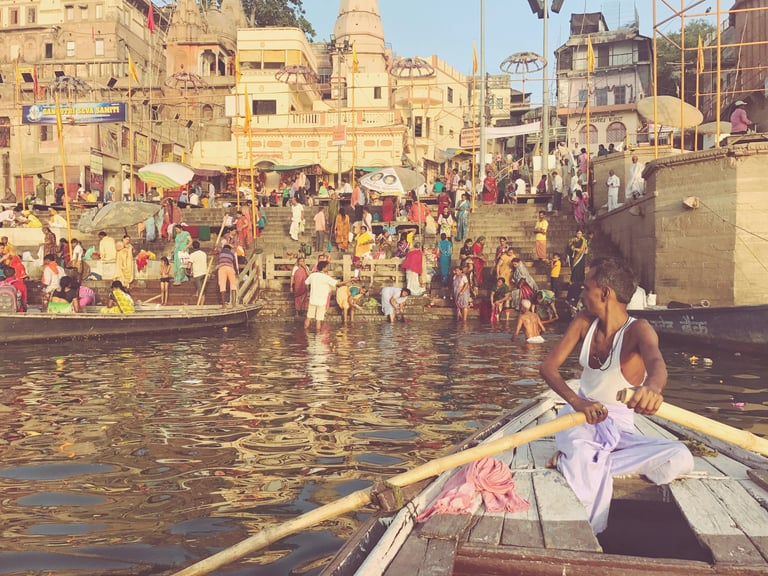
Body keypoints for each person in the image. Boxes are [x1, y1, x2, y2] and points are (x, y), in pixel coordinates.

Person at [540, 257, 694, 534]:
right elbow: (548, 367)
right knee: (585, 454)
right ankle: (590, 532)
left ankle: (570, 461)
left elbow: (657, 364)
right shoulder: (583, 322)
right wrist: (578, 402)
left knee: (679, 456)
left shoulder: (639, 329)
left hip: (619, 426)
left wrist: (653, 389)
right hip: (579, 418)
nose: (582, 294)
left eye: (587, 288)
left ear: (604, 292)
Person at [304, 260, 342, 330]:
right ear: (324, 268)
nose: (328, 268)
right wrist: (350, 280)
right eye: (327, 267)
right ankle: (318, 338)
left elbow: (306, 282)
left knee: (308, 318)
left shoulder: (313, 275)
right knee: (318, 320)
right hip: (321, 302)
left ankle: (305, 334)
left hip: (312, 300)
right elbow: (338, 284)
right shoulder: (326, 277)